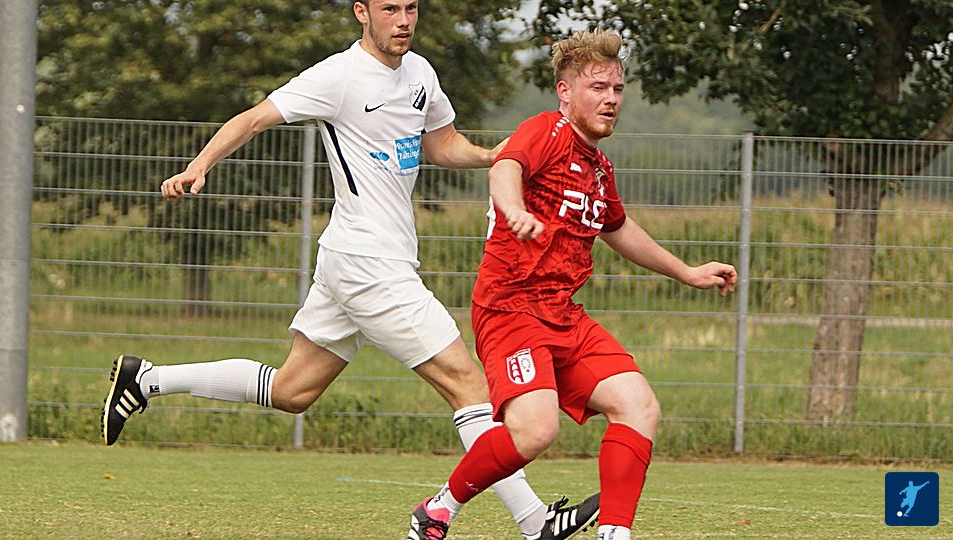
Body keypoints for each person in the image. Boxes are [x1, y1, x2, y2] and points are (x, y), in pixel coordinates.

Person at [100, 1, 598, 539]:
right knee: (469, 385)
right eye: (390, 8)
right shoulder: (338, 75)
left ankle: (146, 379)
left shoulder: (420, 72)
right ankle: (535, 522)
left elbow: (441, 144)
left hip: (354, 258)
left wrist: (490, 155)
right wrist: (198, 166)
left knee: (292, 390)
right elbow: (254, 118)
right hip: (368, 263)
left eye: (411, 8)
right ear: (362, 12)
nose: (403, 20)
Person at [406, 29, 738, 540]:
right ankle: (439, 508)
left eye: (617, 89)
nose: (611, 99)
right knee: (536, 430)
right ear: (565, 92)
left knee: (639, 405)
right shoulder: (545, 130)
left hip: (563, 314)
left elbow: (618, 229)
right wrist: (513, 208)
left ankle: (614, 533)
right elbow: (505, 168)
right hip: (511, 310)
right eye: (598, 87)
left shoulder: (598, 167)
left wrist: (686, 272)